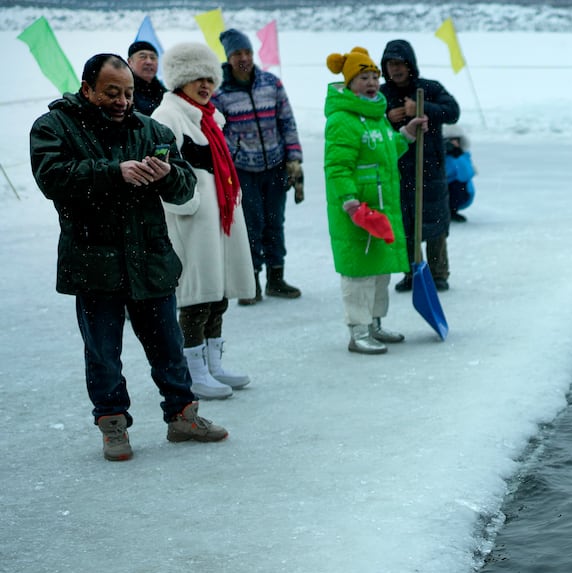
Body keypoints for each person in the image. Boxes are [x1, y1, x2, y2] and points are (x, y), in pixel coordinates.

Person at [30, 53, 227, 461]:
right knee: (103, 351)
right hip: (93, 260)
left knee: (168, 346)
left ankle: (182, 416)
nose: (122, 101)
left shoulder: (150, 128)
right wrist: (112, 172)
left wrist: (168, 175)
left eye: (129, 93)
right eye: (112, 93)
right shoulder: (54, 127)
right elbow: (52, 177)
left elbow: (184, 186)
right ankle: (112, 423)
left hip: (149, 256)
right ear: (87, 89)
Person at [152, 41, 256, 399]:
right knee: (196, 298)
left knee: (218, 295)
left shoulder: (210, 117)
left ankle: (214, 366)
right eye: (197, 78)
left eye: (209, 78)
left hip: (219, 219)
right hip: (192, 223)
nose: (205, 85)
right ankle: (193, 373)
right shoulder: (167, 117)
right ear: (180, 81)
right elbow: (162, 175)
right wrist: (189, 204)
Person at [323, 47, 427, 354]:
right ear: (350, 82)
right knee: (359, 272)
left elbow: (385, 152)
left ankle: (375, 324)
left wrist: (405, 134)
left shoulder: (376, 115)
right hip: (358, 210)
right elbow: (337, 166)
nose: (370, 83)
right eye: (363, 77)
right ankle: (358, 330)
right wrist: (350, 201)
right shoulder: (343, 119)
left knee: (380, 268)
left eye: (373, 77)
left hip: (381, 208)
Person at [213, 26, 303, 304]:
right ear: (228, 57)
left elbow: (286, 121)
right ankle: (250, 281)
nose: (244, 58)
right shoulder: (220, 92)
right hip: (242, 171)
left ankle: (276, 278)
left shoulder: (271, 83)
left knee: (275, 222)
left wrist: (294, 158)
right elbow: (218, 132)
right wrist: (232, 157)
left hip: (275, 166)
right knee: (251, 225)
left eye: (248, 52)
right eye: (237, 53)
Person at [380, 39, 460, 292]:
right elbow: (367, 123)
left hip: (430, 168)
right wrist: (386, 117)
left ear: (410, 64)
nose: (396, 69)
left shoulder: (430, 88)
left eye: (400, 63)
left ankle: (438, 274)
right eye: (391, 64)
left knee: (435, 222)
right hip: (398, 170)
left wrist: (422, 107)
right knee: (404, 224)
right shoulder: (382, 94)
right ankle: (412, 273)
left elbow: (453, 111)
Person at [443, 125, 475, 223]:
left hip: (457, 192)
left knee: (458, 186)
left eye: (455, 140)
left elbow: (465, 176)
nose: (452, 143)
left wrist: (458, 156)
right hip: (440, 188)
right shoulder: (436, 156)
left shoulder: (463, 155)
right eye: (448, 140)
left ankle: (452, 210)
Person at [127, 40, 165, 116]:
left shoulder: (166, 93)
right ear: (130, 62)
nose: (149, 62)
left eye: (153, 57)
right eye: (143, 57)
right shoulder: (126, 93)